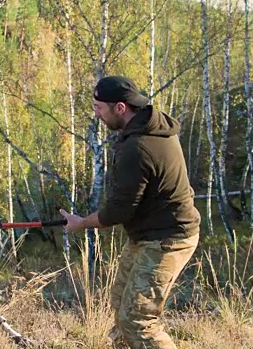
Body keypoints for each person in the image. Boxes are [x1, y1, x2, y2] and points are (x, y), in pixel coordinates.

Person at [59, 76, 201, 349]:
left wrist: (81, 223)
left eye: (99, 107)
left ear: (121, 108)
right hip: (148, 234)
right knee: (121, 303)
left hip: (168, 238)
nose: (96, 113)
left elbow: (118, 211)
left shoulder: (139, 147)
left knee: (137, 319)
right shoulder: (148, 129)